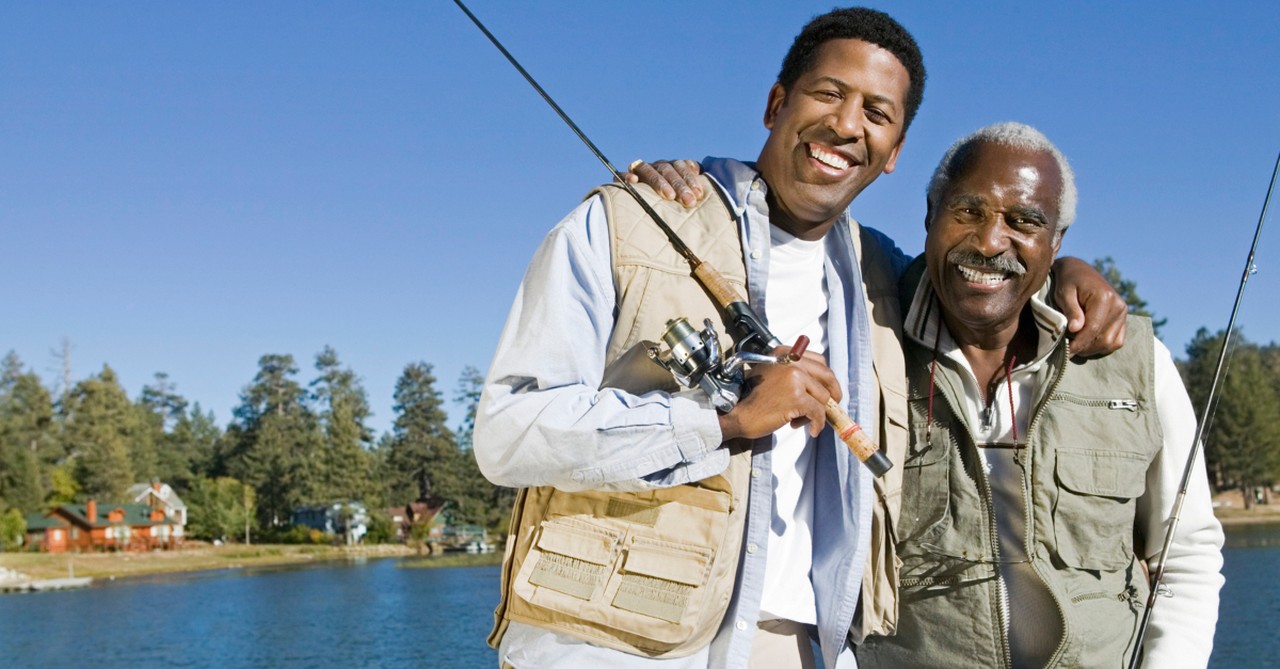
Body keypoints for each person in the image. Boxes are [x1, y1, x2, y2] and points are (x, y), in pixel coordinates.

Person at [474, 8, 1125, 668]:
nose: (846, 124)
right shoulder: (623, 223)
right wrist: (724, 419)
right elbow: (507, 432)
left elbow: (984, 274)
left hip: (797, 645)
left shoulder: (884, 274)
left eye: (877, 111)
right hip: (606, 645)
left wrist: (1068, 271)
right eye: (828, 93)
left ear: (894, 151)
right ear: (776, 103)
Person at [851, 123, 1224, 668]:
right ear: (929, 215)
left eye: (1024, 221)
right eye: (967, 211)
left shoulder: (1137, 361)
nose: (989, 241)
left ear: (1056, 243)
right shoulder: (866, 338)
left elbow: (1186, 552)